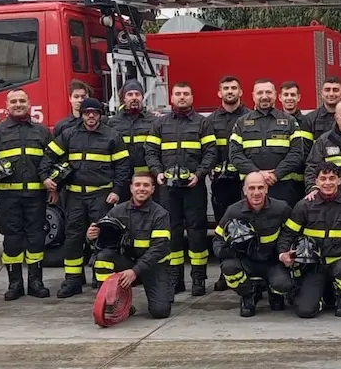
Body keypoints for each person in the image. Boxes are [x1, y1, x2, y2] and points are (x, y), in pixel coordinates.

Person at [42, 97, 130, 299]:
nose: (91, 116)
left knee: (101, 237)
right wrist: (46, 178)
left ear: (100, 114)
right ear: (81, 115)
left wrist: (116, 190)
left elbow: (123, 167)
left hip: (101, 195)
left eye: (95, 112)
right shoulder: (69, 135)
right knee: (73, 238)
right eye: (87, 112)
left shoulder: (112, 136)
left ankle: (101, 280)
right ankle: (72, 281)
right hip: (74, 195)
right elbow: (48, 156)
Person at [0, 88, 52, 301]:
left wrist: (55, 187)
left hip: (36, 196)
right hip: (8, 198)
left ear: (29, 104)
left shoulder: (42, 132)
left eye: (22, 101)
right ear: (7, 106)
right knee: (12, 241)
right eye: (14, 101)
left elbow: (53, 159)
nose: (18, 104)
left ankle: (36, 282)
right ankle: (15, 283)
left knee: (36, 239)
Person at [145, 81, 217, 296]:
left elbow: (210, 152)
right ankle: (175, 279)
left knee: (197, 232)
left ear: (192, 97)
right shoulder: (160, 124)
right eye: (178, 94)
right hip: (167, 188)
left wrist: (200, 174)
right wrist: (157, 172)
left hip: (194, 187)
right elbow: (150, 150)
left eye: (186, 93)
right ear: (171, 98)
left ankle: (198, 279)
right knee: (172, 233)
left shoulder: (203, 124)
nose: (182, 97)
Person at [277, 163, 341, 318]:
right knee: (305, 311)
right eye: (323, 178)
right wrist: (283, 253)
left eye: (332, 178)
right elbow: (288, 234)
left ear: (339, 180)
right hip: (314, 266)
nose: (327, 183)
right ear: (316, 181)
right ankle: (323, 296)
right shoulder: (304, 206)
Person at [87, 171, 174, 319]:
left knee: (160, 311)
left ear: (153, 189)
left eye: (146, 185)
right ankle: (112, 301)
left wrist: (135, 271)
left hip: (153, 267)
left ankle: (157, 293)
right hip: (127, 264)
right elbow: (103, 244)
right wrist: (92, 238)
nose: (141, 188)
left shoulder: (160, 214)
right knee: (103, 257)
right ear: (131, 188)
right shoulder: (117, 211)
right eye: (137, 185)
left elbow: (159, 249)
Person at [212, 172, 294, 317]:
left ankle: (274, 293)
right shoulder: (233, 211)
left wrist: (285, 253)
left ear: (266, 189)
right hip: (246, 261)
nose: (256, 193)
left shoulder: (281, 209)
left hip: (272, 261)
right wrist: (227, 252)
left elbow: (291, 234)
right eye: (251, 188)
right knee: (229, 267)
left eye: (260, 187)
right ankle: (248, 295)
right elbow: (217, 239)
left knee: (283, 284)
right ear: (244, 190)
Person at [229, 78, 306, 207]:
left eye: (268, 92)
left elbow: (297, 153)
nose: (264, 96)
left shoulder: (290, 121)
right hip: (252, 190)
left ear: (275, 95)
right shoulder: (241, 123)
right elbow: (235, 155)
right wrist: (257, 174)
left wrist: (276, 174)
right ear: (253, 96)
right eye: (260, 93)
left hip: (283, 188)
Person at [207, 75, 250, 291]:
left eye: (234, 87)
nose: (230, 91)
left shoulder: (251, 117)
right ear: (219, 93)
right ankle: (226, 272)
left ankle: (246, 270)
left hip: (244, 182)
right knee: (223, 228)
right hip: (221, 184)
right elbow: (206, 151)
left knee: (247, 226)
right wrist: (210, 170)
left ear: (241, 92)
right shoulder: (210, 120)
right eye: (226, 88)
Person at [108, 79, 159, 176]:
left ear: (142, 97)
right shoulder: (112, 122)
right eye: (130, 94)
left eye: (137, 94)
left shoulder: (154, 121)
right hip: (122, 177)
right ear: (123, 98)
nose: (134, 98)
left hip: (147, 177)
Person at [296, 76, 341, 150]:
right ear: (322, 93)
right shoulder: (309, 119)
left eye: (335, 90)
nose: (331, 94)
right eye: (327, 90)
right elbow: (306, 150)